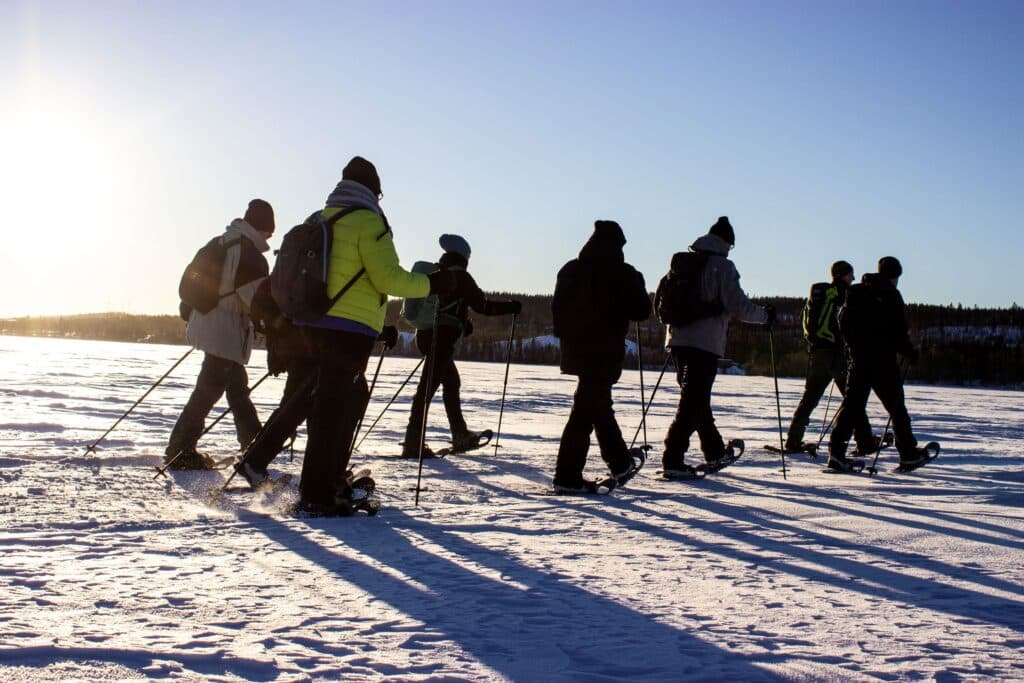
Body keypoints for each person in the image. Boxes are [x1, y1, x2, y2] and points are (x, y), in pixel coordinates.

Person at [273, 156, 458, 516]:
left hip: (311, 324)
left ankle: (320, 480)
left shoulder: (321, 218)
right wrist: (433, 283)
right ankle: (319, 490)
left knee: (330, 403)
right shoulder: (368, 221)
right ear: (374, 190)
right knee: (337, 407)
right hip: (349, 329)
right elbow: (390, 279)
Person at [233, 279, 398, 488]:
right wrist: (378, 330)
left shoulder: (300, 260)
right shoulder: (330, 259)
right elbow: (344, 308)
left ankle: (260, 462)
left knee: (300, 405)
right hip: (318, 345)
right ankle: (326, 473)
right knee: (341, 403)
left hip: (298, 343)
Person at [165, 199, 275, 469]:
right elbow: (256, 301)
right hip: (225, 329)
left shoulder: (221, 242)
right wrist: (275, 323)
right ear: (260, 228)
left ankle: (253, 444)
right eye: (269, 231)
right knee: (208, 390)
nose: (270, 237)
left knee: (236, 388)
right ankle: (180, 450)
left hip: (207, 321)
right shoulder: (249, 254)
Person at [661, 216, 774, 477]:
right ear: (727, 243)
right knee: (692, 403)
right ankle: (673, 459)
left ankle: (713, 451)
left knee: (697, 401)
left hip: (677, 341)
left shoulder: (681, 263)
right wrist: (766, 316)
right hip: (704, 344)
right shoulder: (722, 266)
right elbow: (738, 306)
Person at [551, 220, 652, 493]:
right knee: (586, 410)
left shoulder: (571, 270)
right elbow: (642, 310)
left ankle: (619, 462)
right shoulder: (623, 273)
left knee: (595, 405)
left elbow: (557, 313)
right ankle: (568, 476)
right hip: (605, 350)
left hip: (576, 350)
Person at [401, 234, 522, 458]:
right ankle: (414, 441)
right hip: (443, 340)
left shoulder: (436, 274)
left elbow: (448, 306)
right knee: (427, 389)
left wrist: (463, 323)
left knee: (449, 383)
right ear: (464, 258)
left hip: (426, 336)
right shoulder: (461, 278)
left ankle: (457, 433)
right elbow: (483, 306)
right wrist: (511, 307)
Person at [828, 257, 932, 471]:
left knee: (852, 406)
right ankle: (908, 454)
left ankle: (836, 453)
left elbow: (843, 321)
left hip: (858, 360)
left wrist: (851, 349)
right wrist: (909, 352)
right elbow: (898, 331)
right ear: (895, 275)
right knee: (896, 408)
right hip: (883, 362)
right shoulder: (891, 295)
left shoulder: (856, 292)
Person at [783, 261, 877, 454]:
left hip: (818, 353)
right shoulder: (845, 294)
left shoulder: (821, 294)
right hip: (837, 355)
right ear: (844, 275)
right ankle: (864, 440)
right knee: (854, 400)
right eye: (851, 274)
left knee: (809, 399)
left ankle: (793, 439)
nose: (853, 278)